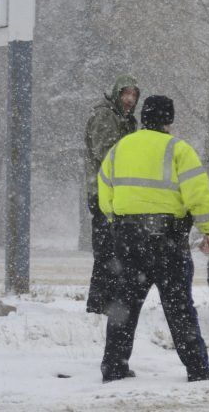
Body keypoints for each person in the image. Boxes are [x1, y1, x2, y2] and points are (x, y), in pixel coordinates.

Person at [97, 95, 209, 383]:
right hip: (167, 241)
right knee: (179, 306)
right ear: (169, 120)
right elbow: (198, 193)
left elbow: (104, 192)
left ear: (144, 117)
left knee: (124, 306)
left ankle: (114, 367)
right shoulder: (178, 149)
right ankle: (197, 368)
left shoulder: (120, 148)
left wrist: (118, 223)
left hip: (128, 239)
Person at [83, 74, 140, 314]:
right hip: (102, 193)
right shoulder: (105, 115)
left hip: (118, 194)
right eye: (125, 94)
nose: (129, 100)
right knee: (106, 248)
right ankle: (98, 303)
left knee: (118, 249)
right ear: (116, 94)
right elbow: (106, 153)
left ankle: (110, 300)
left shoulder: (126, 119)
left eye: (134, 95)